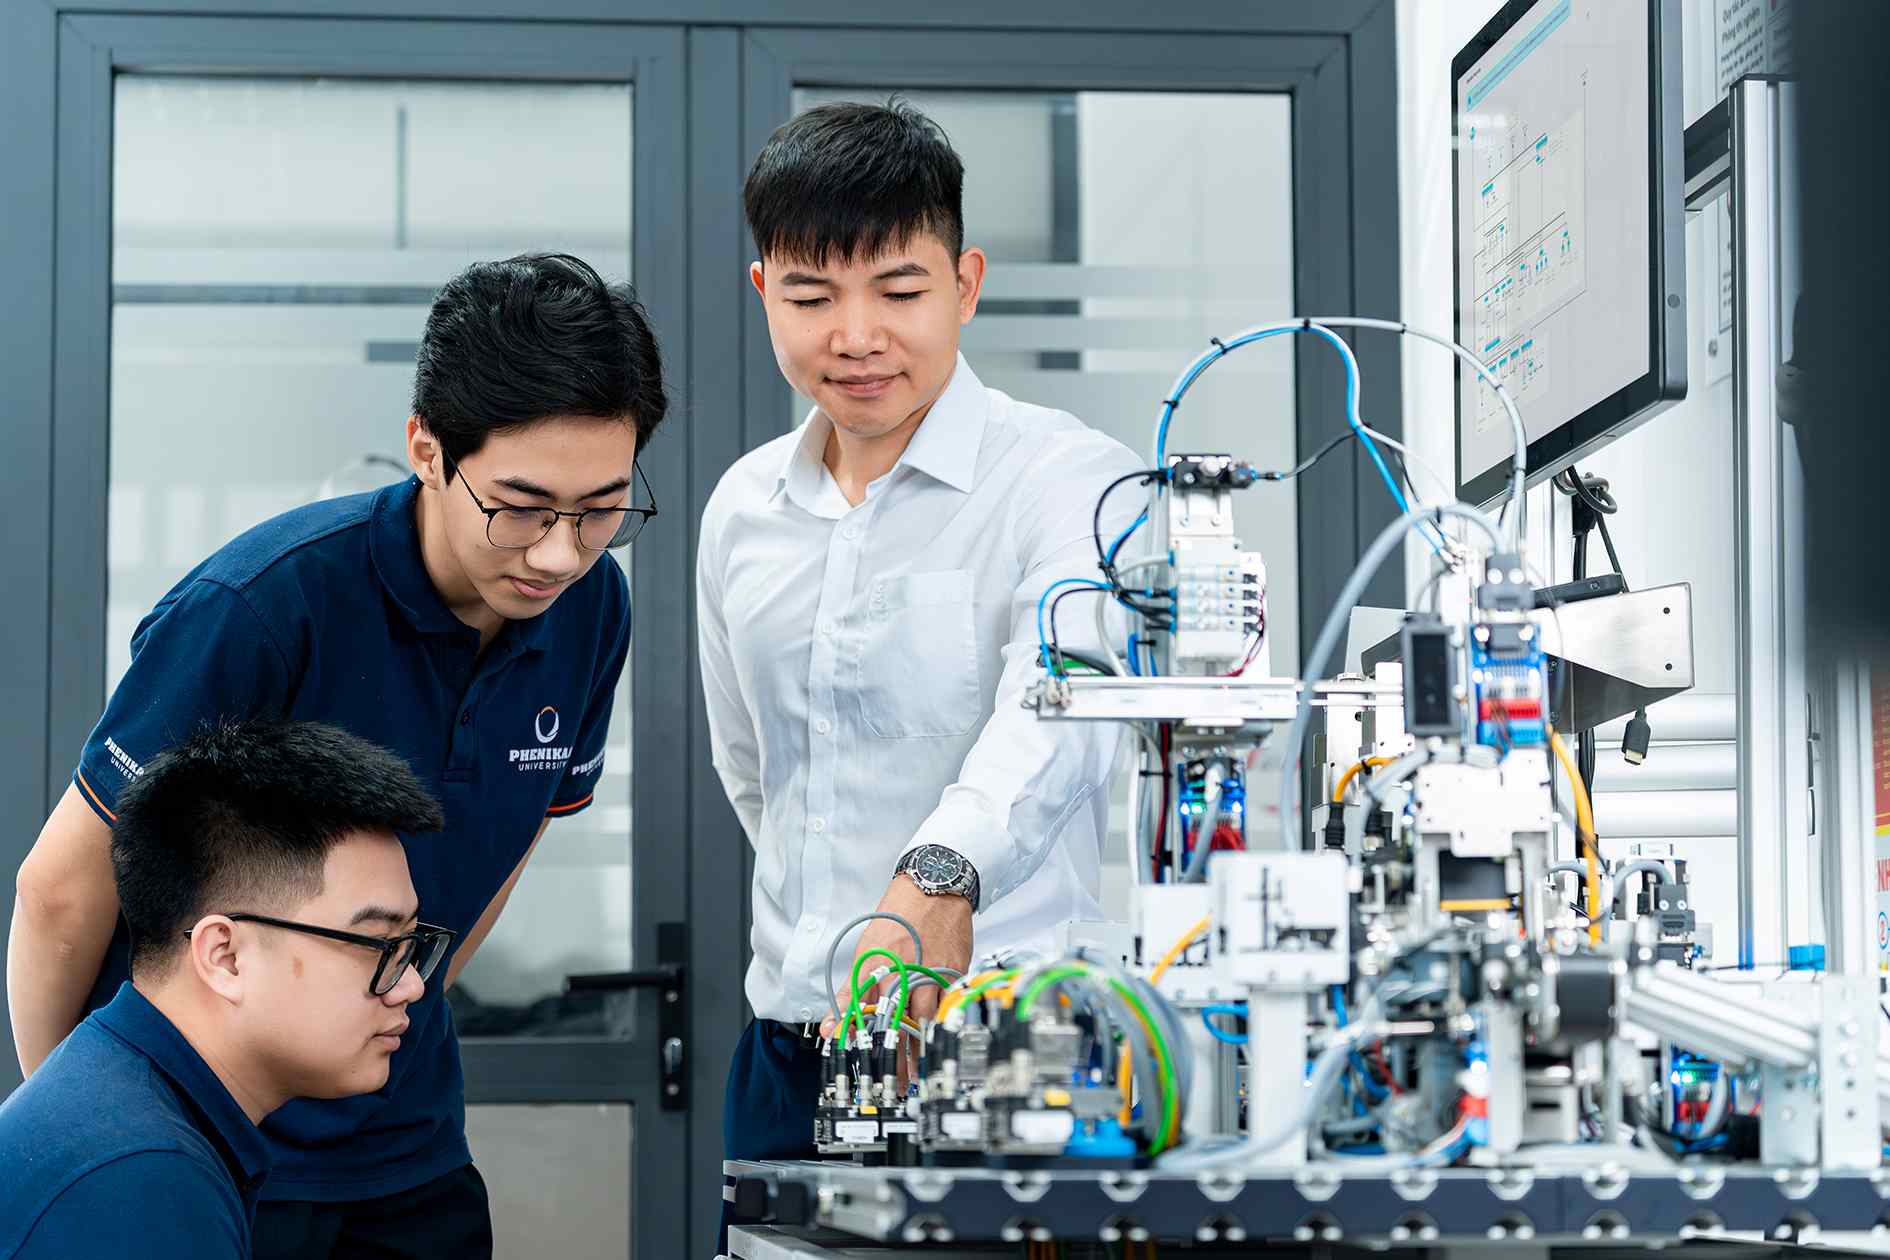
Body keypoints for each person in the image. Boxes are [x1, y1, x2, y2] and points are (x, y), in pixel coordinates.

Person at [6, 253, 666, 1258]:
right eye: (522, 507)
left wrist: (384, 1002)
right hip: (215, 1143)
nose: (559, 553)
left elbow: (501, 849)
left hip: (407, 1150)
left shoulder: (591, 611)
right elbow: (60, 893)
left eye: (600, 511)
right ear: (427, 450)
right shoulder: (263, 609)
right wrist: (92, 1141)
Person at [700, 99, 1142, 1248]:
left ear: (966, 284)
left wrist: (935, 883)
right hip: (791, 1054)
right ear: (763, 293)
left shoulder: (1069, 482)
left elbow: (1058, 711)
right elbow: (756, 774)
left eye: (899, 291)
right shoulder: (742, 510)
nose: (857, 336)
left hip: (1004, 1045)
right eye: (811, 297)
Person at [0, 719, 449, 1259]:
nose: (411, 986)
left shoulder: (122, 1103)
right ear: (225, 956)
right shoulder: (143, 1184)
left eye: (411, 946)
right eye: (378, 945)